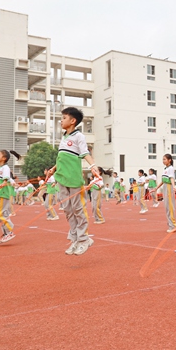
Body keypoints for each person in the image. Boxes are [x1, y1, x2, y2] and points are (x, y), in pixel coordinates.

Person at [47, 107, 100, 256]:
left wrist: (93, 166)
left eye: (63, 118)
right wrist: (53, 168)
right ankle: (75, 239)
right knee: (68, 211)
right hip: (61, 178)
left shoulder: (79, 137)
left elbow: (85, 153)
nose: (61, 121)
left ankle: (84, 239)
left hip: (74, 179)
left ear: (72, 121)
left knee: (78, 209)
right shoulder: (63, 138)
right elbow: (62, 157)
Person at [0, 150, 17, 244]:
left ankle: (9, 231)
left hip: (3, 192)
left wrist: (4, 183)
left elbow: (6, 178)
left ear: (4, 158)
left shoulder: (5, 168)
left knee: (0, 213)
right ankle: (6, 232)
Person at [154, 154, 176, 233]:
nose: (163, 161)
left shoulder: (170, 168)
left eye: (164, 159)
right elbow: (163, 180)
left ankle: (173, 225)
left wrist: (174, 186)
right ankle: (170, 224)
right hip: (165, 187)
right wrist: (156, 188)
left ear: (169, 160)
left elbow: (171, 178)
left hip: (169, 187)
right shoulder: (165, 169)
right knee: (166, 207)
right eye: (163, 159)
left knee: (170, 206)